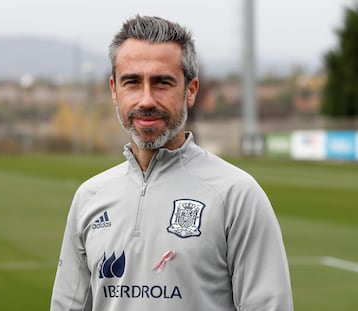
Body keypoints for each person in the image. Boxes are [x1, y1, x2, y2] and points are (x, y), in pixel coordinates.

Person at [50, 15, 293, 311]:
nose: (147, 99)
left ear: (190, 90)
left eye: (162, 82)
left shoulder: (237, 195)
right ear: (114, 90)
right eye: (132, 82)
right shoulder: (89, 197)